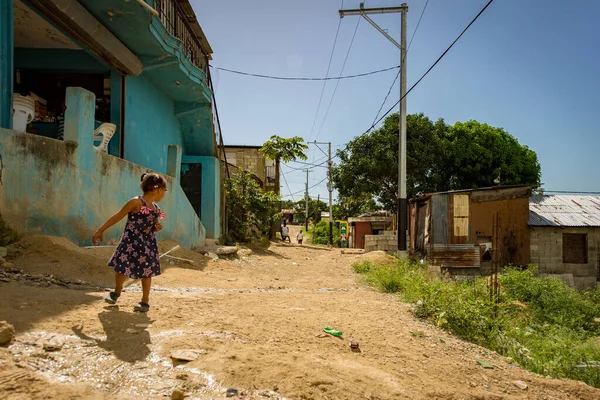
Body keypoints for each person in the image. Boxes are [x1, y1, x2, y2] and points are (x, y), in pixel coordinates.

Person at [92, 173, 167, 312]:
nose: (164, 194)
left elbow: (153, 225)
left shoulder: (156, 209)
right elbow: (118, 216)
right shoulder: (136, 202)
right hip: (130, 242)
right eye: (164, 190)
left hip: (147, 245)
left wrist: (156, 227)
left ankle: (145, 302)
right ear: (157, 189)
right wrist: (100, 230)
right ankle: (116, 292)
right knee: (122, 267)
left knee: (147, 272)